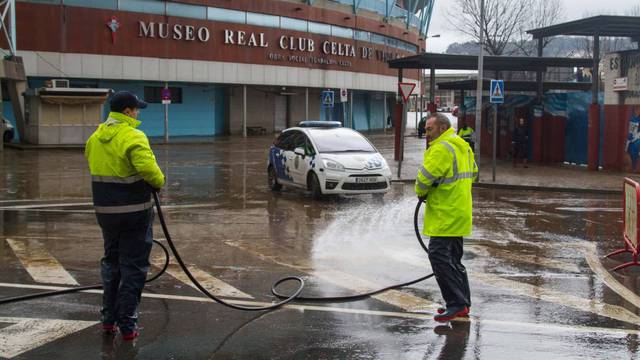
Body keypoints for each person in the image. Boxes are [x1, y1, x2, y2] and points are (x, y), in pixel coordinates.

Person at [85, 91, 165, 340]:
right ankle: (128, 325)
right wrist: (159, 181)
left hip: (106, 214)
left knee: (111, 263)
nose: (138, 113)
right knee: (133, 267)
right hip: (134, 214)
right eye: (136, 109)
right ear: (128, 111)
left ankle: (108, 320)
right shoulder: (133, 135)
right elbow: (150, 171)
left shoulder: (95, 138)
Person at [414, 113, 477, 322]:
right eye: (426, 130)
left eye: (430, 129)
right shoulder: (461, 144)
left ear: (442, 128)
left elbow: (424, 179)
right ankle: (462, 303)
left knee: (439, 257)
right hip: (460, 211)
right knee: (454, 260)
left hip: (445, 214)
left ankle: (456, 303)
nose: (426, 133)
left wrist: (421, 192)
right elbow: (474, 172)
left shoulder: (441, 148)